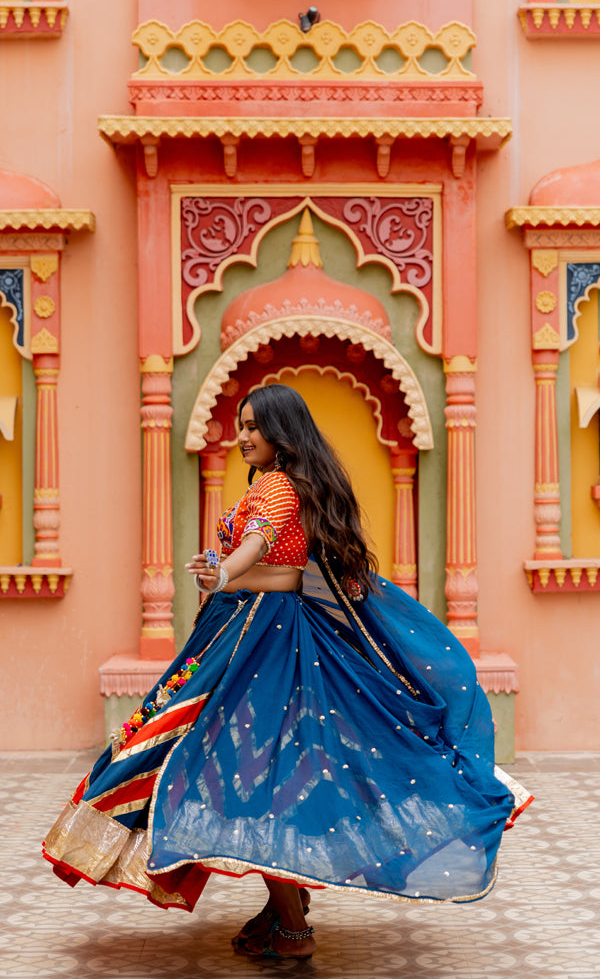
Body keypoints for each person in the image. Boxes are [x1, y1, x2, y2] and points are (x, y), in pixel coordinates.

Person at [43, 383, 531, 961]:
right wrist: (226, 577)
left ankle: (293, 927)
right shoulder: (293, 485)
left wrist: (225, 571)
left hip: (263, 647)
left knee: (253, 775)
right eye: (240, 425)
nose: (242, 436)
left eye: (253, 426)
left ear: (281, 433)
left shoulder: (276, 487)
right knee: (282, 774)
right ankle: (284, 914)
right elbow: (289, 574)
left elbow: (259, 545)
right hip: (266, 633)